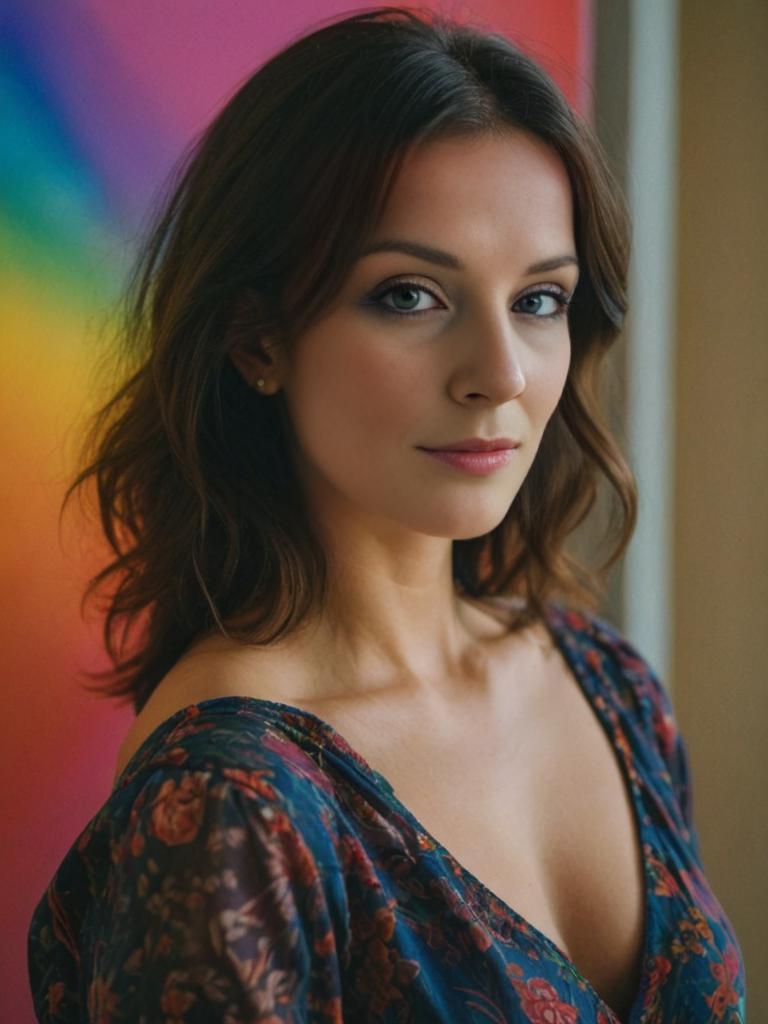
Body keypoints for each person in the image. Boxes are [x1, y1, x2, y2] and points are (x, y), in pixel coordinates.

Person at [27, 6, 746, 1023]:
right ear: (256, 339)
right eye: (411, 295)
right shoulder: (229, 807)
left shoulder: (608, 685)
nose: (499, 374)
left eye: (539, 300)